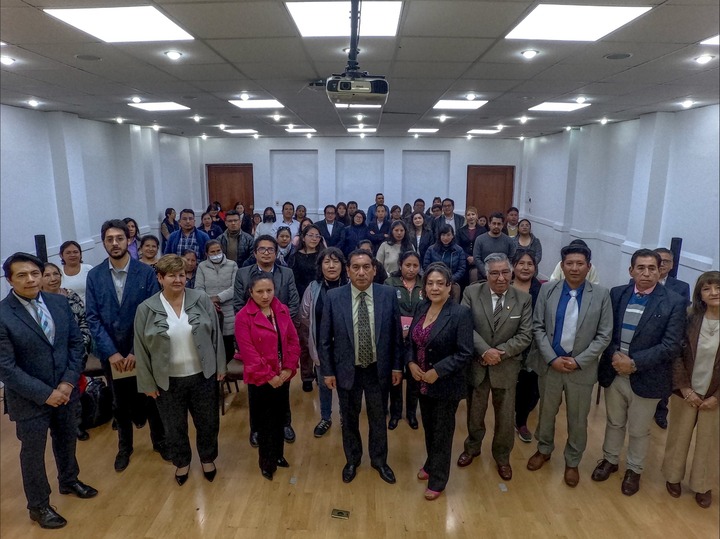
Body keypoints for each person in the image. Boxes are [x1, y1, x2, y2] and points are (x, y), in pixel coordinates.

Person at [0, 253, 98, 530]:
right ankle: (39, 505)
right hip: (29, 398)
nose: (30, 279)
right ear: (10, 280)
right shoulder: (3, 314)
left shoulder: (58, 302)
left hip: (65, 391)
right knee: (33, 453)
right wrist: (46, 393)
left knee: (66, 438)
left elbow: (75, 344)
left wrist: (67, 383)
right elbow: (5, 367)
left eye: (35, 273)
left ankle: (69, 480)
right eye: (22, 275)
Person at [592, 249, 686, 496]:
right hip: (614, 371)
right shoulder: (617, 294)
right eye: (640, 268)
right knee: (614, 422)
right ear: (631, 270)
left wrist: (633, 363)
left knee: (639, 429)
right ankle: (610, 460)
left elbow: (671, 345)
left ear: (660, 271)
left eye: (652, 268)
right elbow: (605, 331)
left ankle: (634, 469)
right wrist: (614, 355)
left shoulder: (674, 302)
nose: (646, 273)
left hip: (647, 376)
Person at [134, 255, 227, 486]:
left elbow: (216, 335)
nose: (178, 280)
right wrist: (147, 383)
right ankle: (182, 462)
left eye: (182, 275)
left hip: (203, 375)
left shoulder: (201, 299)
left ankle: (207, 458)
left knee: (208, 422)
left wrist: (220, 366)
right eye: (171, 275)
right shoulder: (146, 309)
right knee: (174, 426)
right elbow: (141, 348)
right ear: (160, 278)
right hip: (167, 380)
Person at [526, 243, 613, 488]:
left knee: (578, 419)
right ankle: (543, 449)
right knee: (546, 413)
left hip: (581, 370)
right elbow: (537, 326)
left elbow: (604, 335)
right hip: (550, 366)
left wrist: (579, 361)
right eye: (569, 263)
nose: (574, 268)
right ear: (562, 266)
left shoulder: (602, 295)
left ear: (589, 267)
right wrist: (552, 358)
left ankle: (572, 461)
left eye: (580, 263)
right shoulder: (548, 290)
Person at [85, 219, 166, 472]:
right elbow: (92, 318)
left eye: (119, 238)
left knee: (151, 399)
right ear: (103, 242)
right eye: (109, 239)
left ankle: (160, 442)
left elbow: (153, 313)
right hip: (113, 355)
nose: (115, 243)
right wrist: (111, 353)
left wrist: (135, 351)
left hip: (141, 349)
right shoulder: (95, 275)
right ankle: (124, 448)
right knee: (120, 404)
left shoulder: (145, 272)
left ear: (129, 240)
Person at [319, 249, 403, 484]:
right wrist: (328, 371)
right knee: (349, 418)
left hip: (378, 368)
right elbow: (324, 340)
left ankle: (379, 461)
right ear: (348, 271)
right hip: (347, 369)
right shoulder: (334, 297)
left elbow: (397, 336)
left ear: (375, 270)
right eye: (355, 267)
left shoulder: (387, 294)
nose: (361, 272)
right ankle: (352, 460)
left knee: (378, 418)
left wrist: (397, 367)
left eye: (366, 267)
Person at [457, 253, 532, 481]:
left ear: (511, 272)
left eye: (505, 272)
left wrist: (498, 353)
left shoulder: (523, 299)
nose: (501, 278)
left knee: (506, 417)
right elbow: (464, 326)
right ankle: (472, 447)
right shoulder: (471, 293)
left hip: (506, 366)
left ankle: (502, 456)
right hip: (478, 365)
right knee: (475, 413)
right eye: (495, 273)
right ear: (486, 274)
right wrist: (484, 351)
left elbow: (525, 335)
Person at [407, 262, 473, 500]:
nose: (434, 288)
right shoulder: (422, 307)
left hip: (445, 384)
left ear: (449, 286)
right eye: (430, 283)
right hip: (421, 381)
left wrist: (438, 371)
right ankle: (430, 463)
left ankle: (438, 480)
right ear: (424, 287)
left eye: (440, 283)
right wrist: (411, 363)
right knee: (429, 427)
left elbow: (465, 353)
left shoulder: (460, 313)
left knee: (442, 433)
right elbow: (411, 342)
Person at [233, 235, 300, 445]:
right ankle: (256, 429)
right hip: (255, 341)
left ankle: (285, 424)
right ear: (255, 253)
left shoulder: (286, 274)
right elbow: (238, 304)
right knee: (257, 396)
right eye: (261, 249)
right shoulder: (243, 274)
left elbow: (294, 304)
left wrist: (282, 323)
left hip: (280, 341)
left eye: (270, 249)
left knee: (283, 391)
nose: (266, 253)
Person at [662, 271, 719, 509]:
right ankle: (673, 477)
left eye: (718, 288)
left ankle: (702, 485)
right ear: (699, 294)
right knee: (679, 435)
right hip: (685, 391)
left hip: (715, 395)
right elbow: (675, 353)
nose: (714, 293)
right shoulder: (688, 317)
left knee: (710, 442)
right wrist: (685, 388)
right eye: (707, 288)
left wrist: (717, 397)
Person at [236, 273, 300, 480]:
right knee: (265, 423)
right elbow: (249, 353)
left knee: (280, 418)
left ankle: (279, 455)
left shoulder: (281, 310)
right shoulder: (243, 317)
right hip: (261, 379)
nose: (265, 296)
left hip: (282, 375)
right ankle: (266, 462)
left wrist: (288, 369)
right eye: (260, 291)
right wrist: (270, 376)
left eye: (269, 291)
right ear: (250, 292)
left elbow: (293, 341)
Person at [42, 262, 92, 441]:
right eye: (47, 275)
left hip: (75, 353)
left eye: (56, 274)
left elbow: (84, 321)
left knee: (74, 390)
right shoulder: (37, 303)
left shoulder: (71, 295)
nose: (53, 278)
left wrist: (81, 347)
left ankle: (77, 423)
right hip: (50, 359)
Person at [300, 248, 348, 437]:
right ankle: (325, 417)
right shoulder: (313, 288)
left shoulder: (350, 285)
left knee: (346, 384)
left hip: (346, 347)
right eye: (327, 262)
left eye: (336, 262)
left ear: (343, 265)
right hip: (322, 346)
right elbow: (305, 316)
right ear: (320, 266)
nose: (331, 266)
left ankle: (345, 416)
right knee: (323, 383)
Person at [652, 247, 692, 429]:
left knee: (664, 377)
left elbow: (682, 315)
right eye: (659, 260)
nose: (662, 264)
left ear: (672, 264)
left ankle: (661, 411)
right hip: (645, 337)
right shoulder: (640, 280)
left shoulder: (681, 287)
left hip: (668, 338)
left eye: (666, 261)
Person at [385, 251, 424, 430]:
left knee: (415, 377)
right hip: (395, 337)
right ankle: (395, 413)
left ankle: (411, 414)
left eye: (415, 265)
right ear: (400, 265)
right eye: (408, 265)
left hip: (418, 338)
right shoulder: (390, 283)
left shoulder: (424, 283)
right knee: (396, 375)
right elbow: (385, 310)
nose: (411, 269)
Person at [509, 249, 543, 443]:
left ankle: (521, 420)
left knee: (530, 387)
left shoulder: (542, 291)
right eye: (521, 263)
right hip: (507, 344)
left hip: (533, 346)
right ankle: (507, 419)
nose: (525, 267)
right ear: (513, 266)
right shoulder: (504, 286)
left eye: (530, 264)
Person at [195, 240, 239, 364]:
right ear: (207, 253)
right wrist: (209, 301)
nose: (216, 254)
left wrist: (218, 298)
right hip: (209, 309)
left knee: (228, 345)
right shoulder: (202, 266)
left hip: (229, 311)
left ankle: (227, 372)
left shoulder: (232, 265)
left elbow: (235, 287)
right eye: (212, 252)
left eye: (218, 251)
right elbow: (198, 288)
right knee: (212, 344)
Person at [472, 212, 515, 280]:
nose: (496, 226)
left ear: (502, 225)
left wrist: (503, 273)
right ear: (489, 224)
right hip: (484, 278)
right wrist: (487, 273)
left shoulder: (509, 241)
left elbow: (511, 258)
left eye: (499, 224)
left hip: (503, 278)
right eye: (494, 223)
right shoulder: (479, 239)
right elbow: (477, 258)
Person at [423, 224, 467, 289]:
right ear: (439, 236)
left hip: (452, 281)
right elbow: (426, 266)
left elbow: (461, 269)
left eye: (448, 235)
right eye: (443, 235)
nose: (445, 238)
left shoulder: (459, 250)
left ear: (453, 236)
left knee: (456, 288)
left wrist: (450, 280)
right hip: (434, 280)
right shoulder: (431, 249)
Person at [457, 206, 485, 284]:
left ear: (477, 216)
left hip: (479, 260)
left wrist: (475, 258)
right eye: (468, 215)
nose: (471, 217)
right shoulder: (460, 231)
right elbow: (458, 246)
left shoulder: (483, 230)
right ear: (466, 217)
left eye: (473, 214)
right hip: (464, 260)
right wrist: (467, 257)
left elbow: (484, 246)